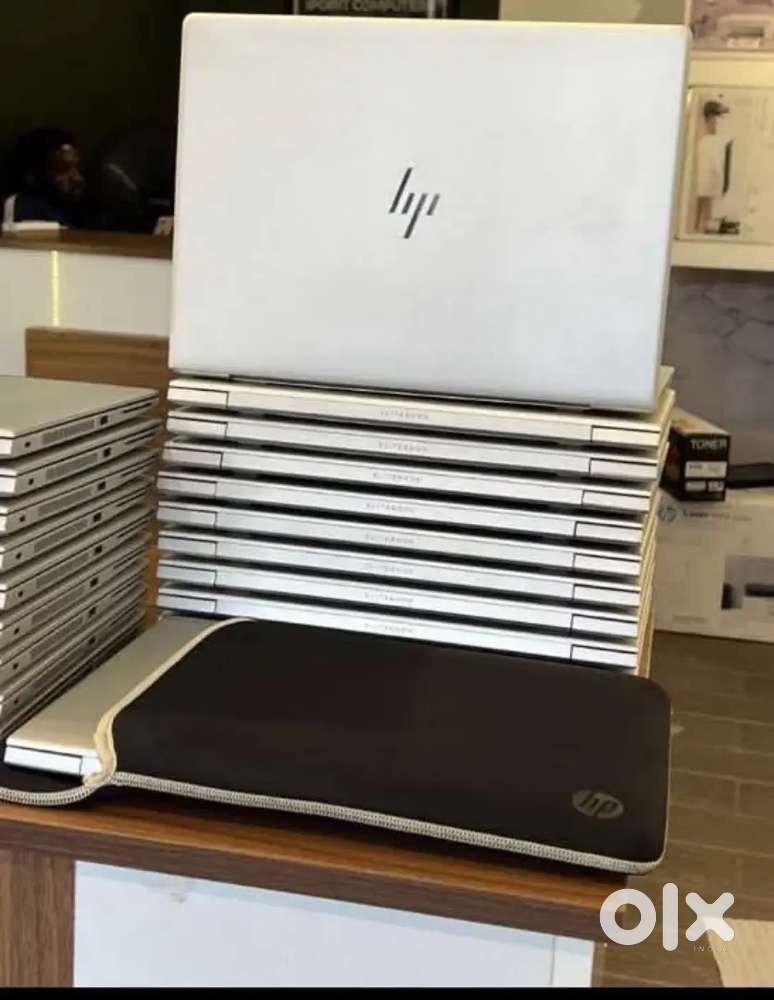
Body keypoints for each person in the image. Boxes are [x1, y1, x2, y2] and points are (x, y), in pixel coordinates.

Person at [3, 128, 85, 228]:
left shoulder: (83, 208)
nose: (77, 178)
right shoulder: (25, 207)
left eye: (77, 168)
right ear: (34, 175)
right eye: (63, 170)